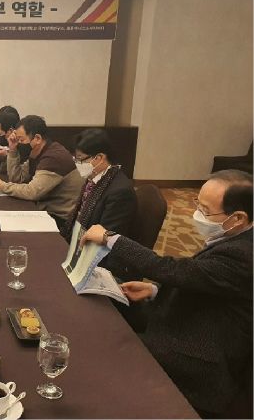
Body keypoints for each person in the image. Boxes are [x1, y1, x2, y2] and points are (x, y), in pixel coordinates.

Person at [81, 170, 253, 417]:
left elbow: (171, 269)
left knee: (105, 346)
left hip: (202, 358)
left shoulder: (244, 255)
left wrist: (110, 238)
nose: (196, 214)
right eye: (197, 203)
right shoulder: (236, 237)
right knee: (104, 312)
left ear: (237, 218)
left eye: (205, 210)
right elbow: (203, 278)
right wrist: (154, 290)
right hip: (191, 319)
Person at [0, 115, 83, 230]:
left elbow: (32, 192)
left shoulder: (53, 157)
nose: (19, 143)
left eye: (21, 140)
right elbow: (18, 179)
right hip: (44, 209)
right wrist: (12, 149)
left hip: (60, 219)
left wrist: (2, 186)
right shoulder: (38, 152)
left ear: (37, 138)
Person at [61, 128, 137, 245]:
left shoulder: (120, 192)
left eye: (80, 159)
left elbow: (106, 238)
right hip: (76, 239)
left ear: (99, 158)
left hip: (93, 250)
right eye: (75, 158)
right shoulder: (94, 178)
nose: (77, 163)